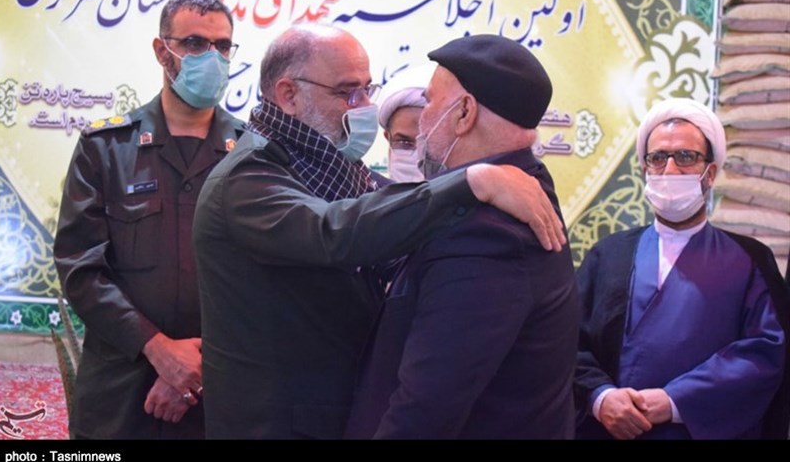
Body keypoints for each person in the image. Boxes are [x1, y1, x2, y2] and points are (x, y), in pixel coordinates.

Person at [193, 25, 567, 439]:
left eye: (367, 90)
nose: (366, 107)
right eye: (347, 93)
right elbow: (333, 231)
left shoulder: (340, 170)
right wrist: (469, 182)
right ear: (288, 95)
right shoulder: (246, 179)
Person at [345, 34, 579, 439]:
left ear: (464, 113)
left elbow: (427, 406)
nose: (422, 120)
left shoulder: (486, 232)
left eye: (430, 102)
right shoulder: (520, 188)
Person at [53, 0, 246, 439]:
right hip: (121, 393)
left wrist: (194, 367)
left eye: (222, 46)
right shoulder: (106, 149)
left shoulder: (252, 155)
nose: (212, 57)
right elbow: (81, 269)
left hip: (218, 394)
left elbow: (261, 281)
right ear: (163, 51)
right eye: (195, 43)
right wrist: (159, 350)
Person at [575, 98, 789, 440]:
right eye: (658, 158)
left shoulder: (749, 260)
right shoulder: (608, 254)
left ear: (710, 173)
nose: (670, 170)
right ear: (644, 169)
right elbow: (567, 342)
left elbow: (764, 353)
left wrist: (676, 401)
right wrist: (600, 397)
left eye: (686, 157)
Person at [377, 64, 435, 182]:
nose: (417, 155)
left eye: (428, 144)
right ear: (388, 137)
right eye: (404, 142)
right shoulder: (368, 191)